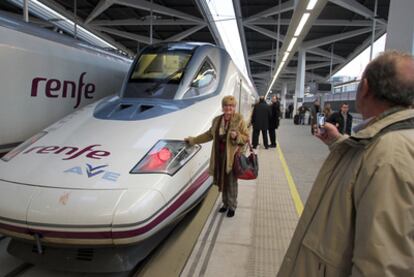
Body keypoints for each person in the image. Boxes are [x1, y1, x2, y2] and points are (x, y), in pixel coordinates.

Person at [277, 51, 414, 276]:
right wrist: (338, 142)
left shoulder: (390, 155)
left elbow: (381, 264)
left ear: (365, 87)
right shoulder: (389, 142)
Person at [185, 96, 249, 218]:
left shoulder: (239, 119)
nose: (228, 108)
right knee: (222, 181)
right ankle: (225, 204)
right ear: (223, 107)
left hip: (231, 158)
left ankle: (232, 206)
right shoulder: (217, 120)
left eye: (231, 106)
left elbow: (246, 137)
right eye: (226, 105)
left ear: (234, 107)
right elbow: (209, 135)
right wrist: (193, 140)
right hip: (219, 158)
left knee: (231, 183)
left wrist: (237, 137)